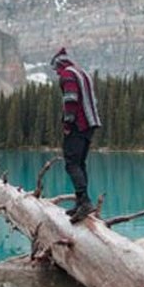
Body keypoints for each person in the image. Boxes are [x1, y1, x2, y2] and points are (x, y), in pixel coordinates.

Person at [50, 47, 101, 223]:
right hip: (91, 123)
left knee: (71, 163)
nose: (57, 73)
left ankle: (85, 202)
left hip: (78, 124)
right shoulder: (82, 72)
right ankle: (81, 203)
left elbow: (71, 99)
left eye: (56, 69)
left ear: (60, 64)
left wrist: (67, 123)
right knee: (80, 163)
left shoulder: (67, 74)